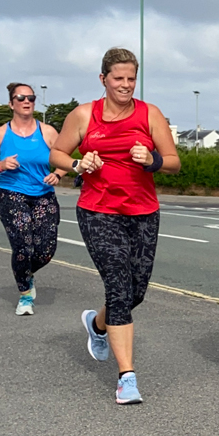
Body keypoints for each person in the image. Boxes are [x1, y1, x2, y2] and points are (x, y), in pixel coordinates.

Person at [49, 47, 180, 405]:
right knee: (119, 288)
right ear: (103, 78)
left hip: (143, 212)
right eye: (118, 78)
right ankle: (127, 378)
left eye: (131, 79)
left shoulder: (149, 114)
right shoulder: (83, 115)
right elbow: (57, 154)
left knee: (134, 292)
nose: (125, 85)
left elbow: (173, 162)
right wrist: (79, 163)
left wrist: (151, 159)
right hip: (98, 210)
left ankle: (97, 326)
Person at [0, 83, 68, 316]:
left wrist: (57, 174)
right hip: (11, 194)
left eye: (31, 98)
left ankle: (25, 273)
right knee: (22, 245)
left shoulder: (47, 131)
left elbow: (65, 159)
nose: (26, 101)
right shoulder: (0, 133)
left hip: (43, 194)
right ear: (11, 103)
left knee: (46, 249)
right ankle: (25, 294)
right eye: (20, 98)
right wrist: (0, 165)